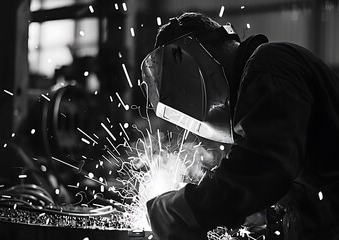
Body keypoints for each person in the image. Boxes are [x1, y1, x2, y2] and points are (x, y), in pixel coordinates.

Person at [141, 12, 339, 240]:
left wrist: (190, 205)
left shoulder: (270, 64)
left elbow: (264, 165)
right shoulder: (257, 88)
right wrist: (260, 211)